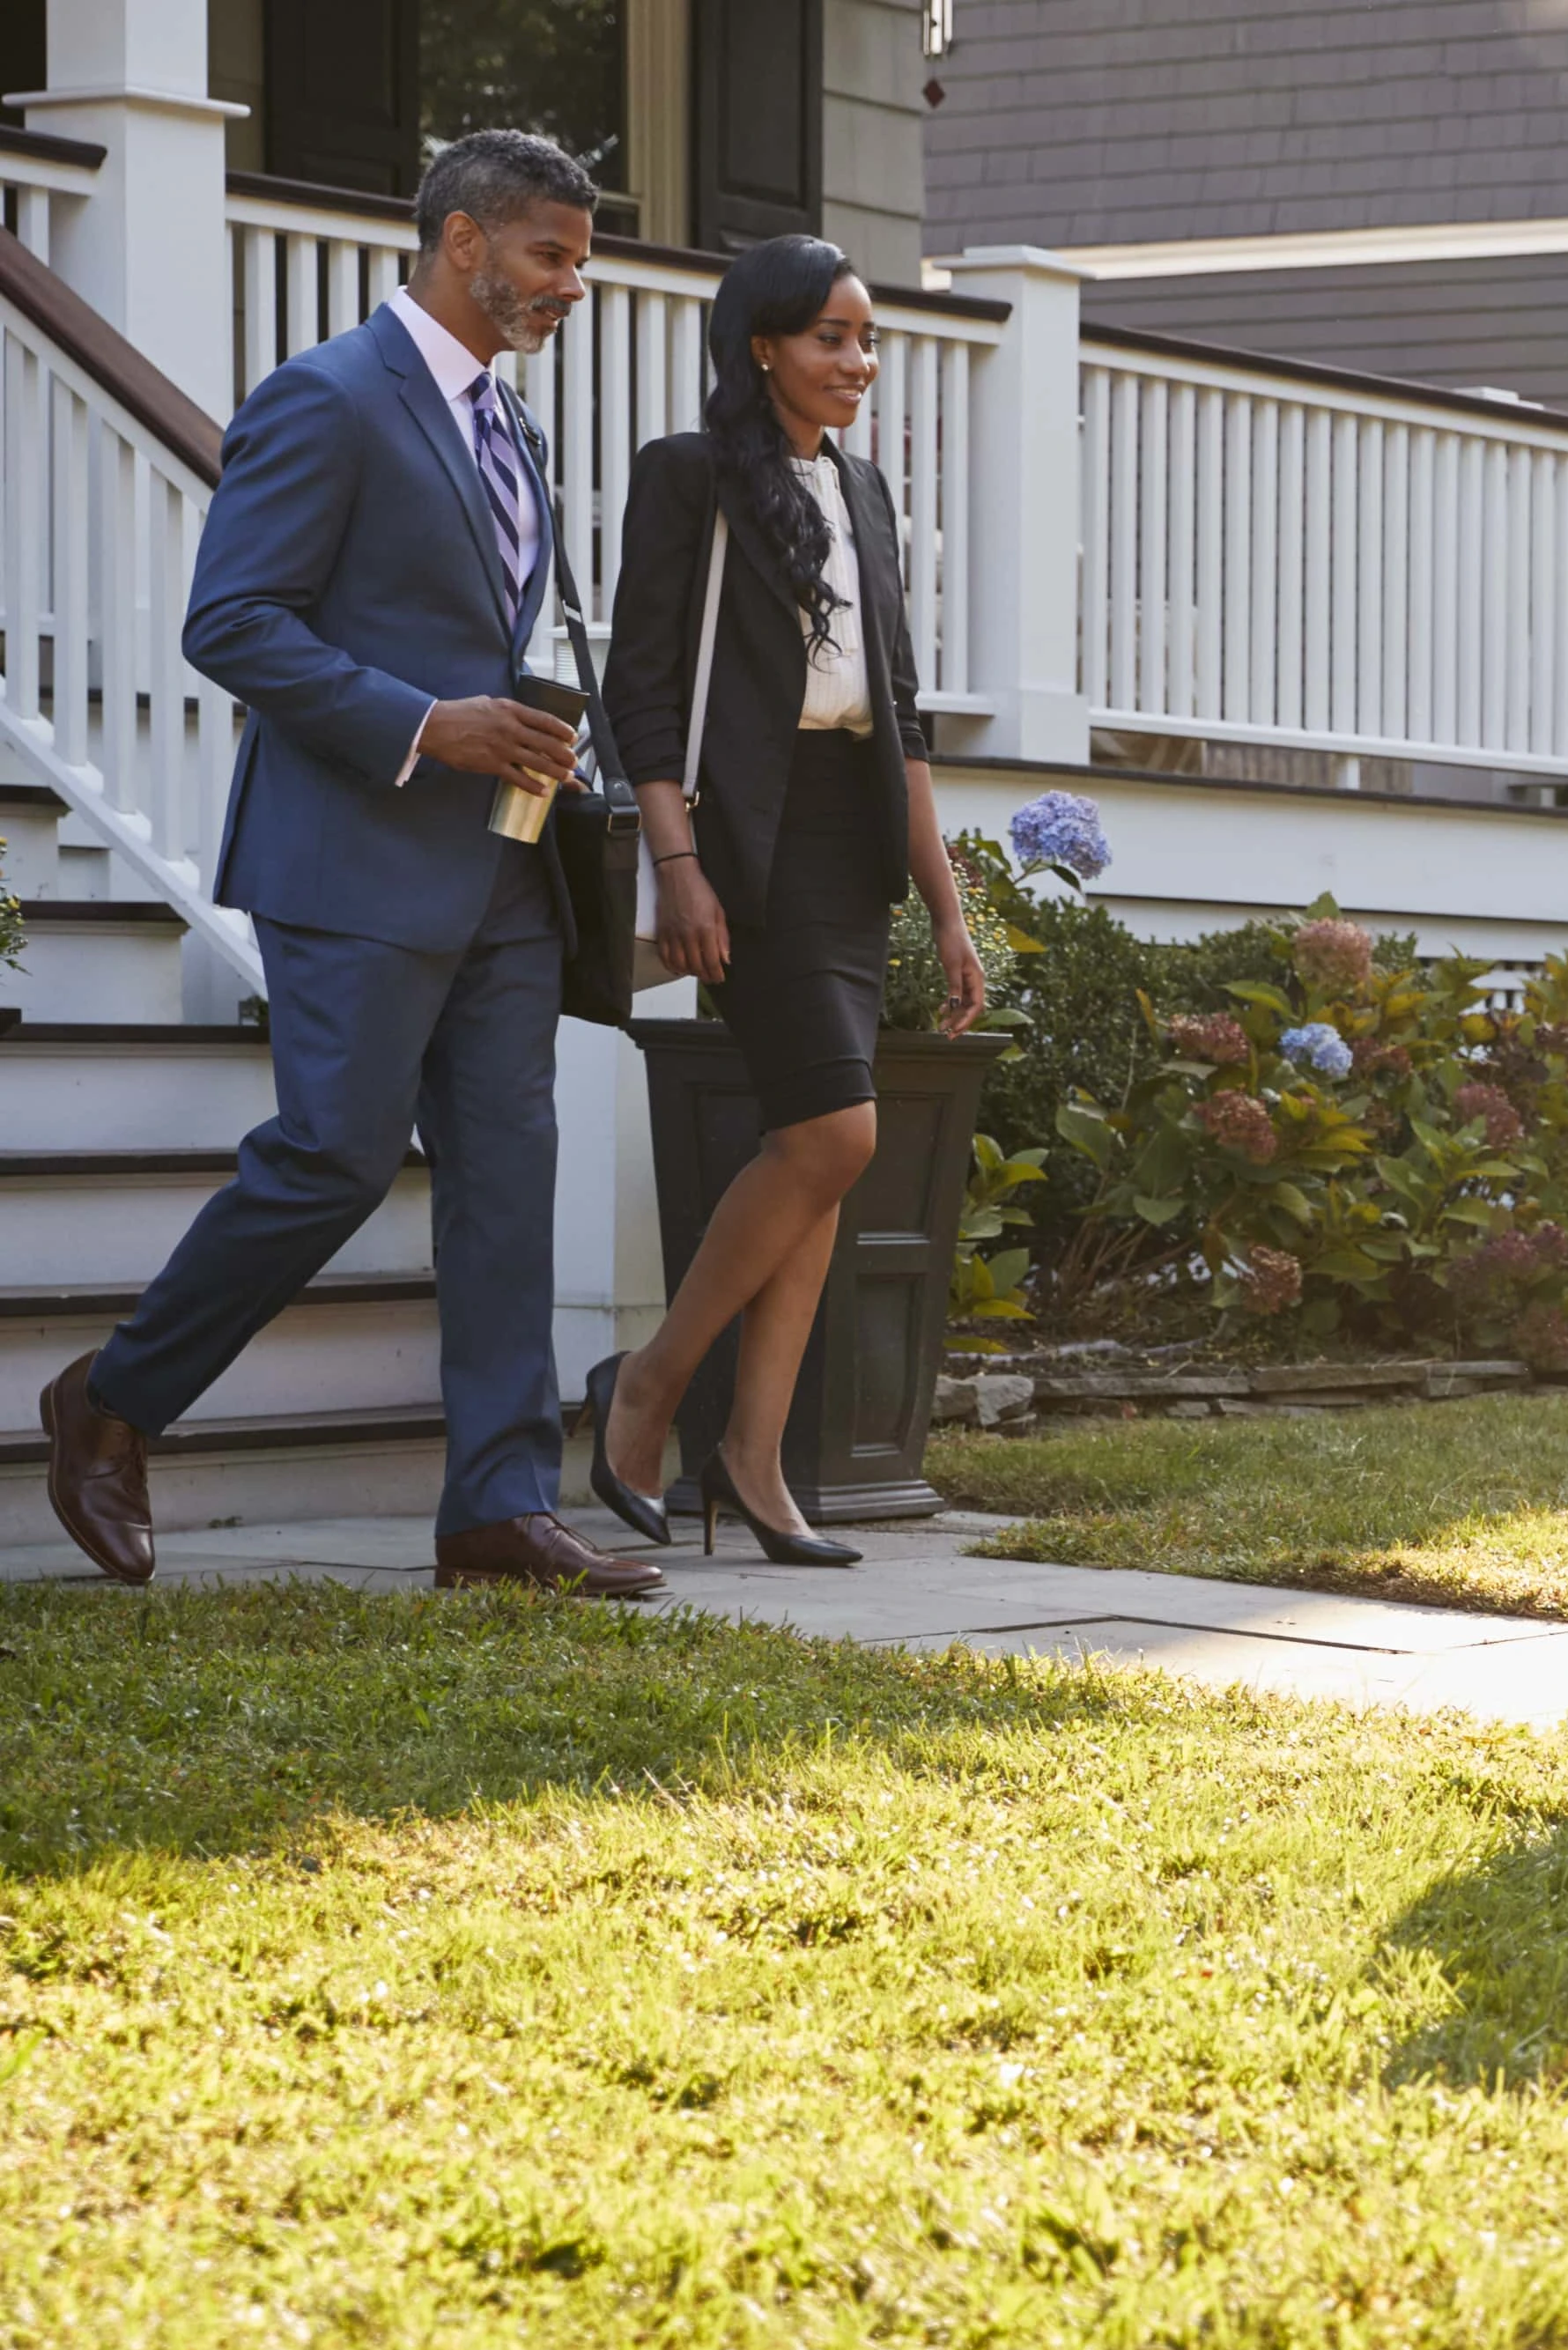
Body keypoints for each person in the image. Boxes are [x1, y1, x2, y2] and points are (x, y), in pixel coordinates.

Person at [33, 130, 659, 1600]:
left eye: (581, 256)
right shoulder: (324, 398)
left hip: (503, 871)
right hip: (351, 859)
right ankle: (112, 1402)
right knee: (332, 1159)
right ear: (462, 244)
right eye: (550, 256)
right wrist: (428, 724)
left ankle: (498, 1511)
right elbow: (233, 623)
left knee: (511, 1175)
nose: (575, 283)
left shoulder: (518, 431)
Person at [588, 234, 983, 1568]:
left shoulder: (863, 492)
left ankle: (753, 1458)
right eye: (830, 337)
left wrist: (944, 904)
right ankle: (647, 1389)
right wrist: (680, 860)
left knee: (820, 1160)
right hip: (740, 845)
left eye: (867, 340)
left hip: (848, 848)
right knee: (832, 1134)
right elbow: (640, 688)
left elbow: (903, 718)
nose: (857, 362)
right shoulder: (688, 477)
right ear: (761, 344)